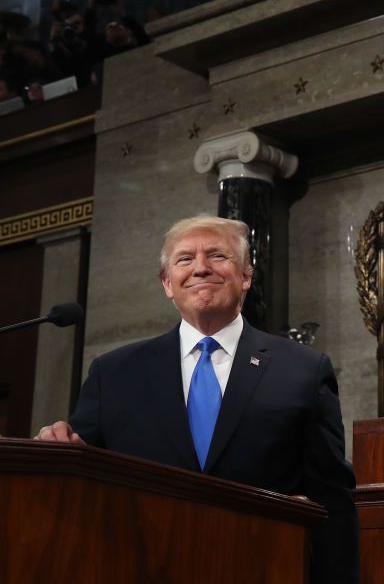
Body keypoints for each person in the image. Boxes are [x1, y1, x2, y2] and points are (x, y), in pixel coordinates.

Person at [36, 215, 358, 584]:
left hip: (263, 566)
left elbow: (332, 496)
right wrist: (56, 447)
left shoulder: (302, 369)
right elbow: (83, 474)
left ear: (246, 277)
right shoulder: (114, 373)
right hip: (141, 567)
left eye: (218, 256)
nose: (201, 268)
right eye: (185, 259)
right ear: (167, 284)